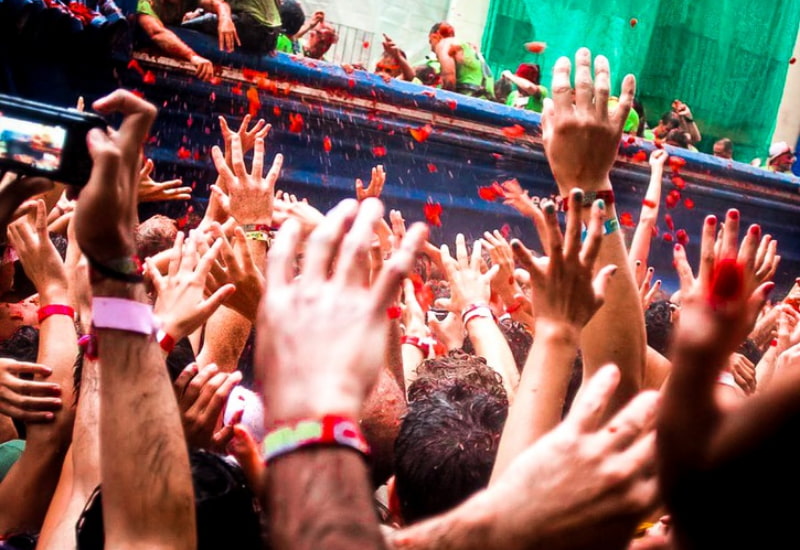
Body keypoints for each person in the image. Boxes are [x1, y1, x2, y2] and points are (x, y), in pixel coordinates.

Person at [428, 22, 494, 99]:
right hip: (486, 99)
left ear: (435, 36)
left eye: (430, 42)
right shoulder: (467, 48)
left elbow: (449, 81)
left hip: (470, 97)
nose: (431, 49)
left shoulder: (444, 44)